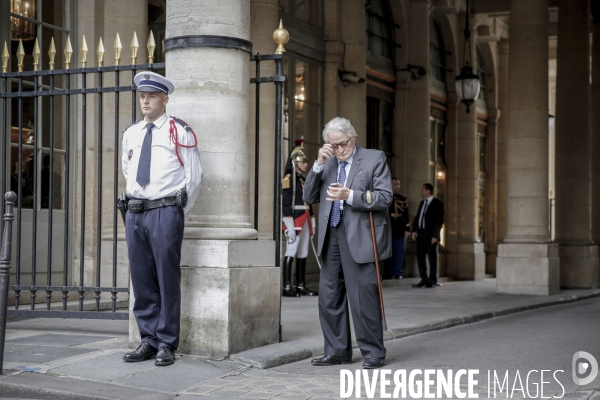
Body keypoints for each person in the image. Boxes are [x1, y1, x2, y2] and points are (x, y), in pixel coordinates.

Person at [121, 71, 203, 367]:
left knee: (166, 278)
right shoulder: (131, 133)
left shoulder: (178, 131)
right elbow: (128, 170)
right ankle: (148, 339)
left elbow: (194, 176)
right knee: (142, 277)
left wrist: (175, 208)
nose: (145, 101)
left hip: (165, 212)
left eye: (152, 96)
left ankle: (166, 342)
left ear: (164, 99)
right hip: (136, 212)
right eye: (142, 96)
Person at [303, 117, 392, 369]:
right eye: (333, 145)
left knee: (362, 295)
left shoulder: (375, 158)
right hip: (331, 234)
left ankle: (373, 352)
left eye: (343, 144)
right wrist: (318, 165)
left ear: (353, 139)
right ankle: (336, 350)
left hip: (360, 235)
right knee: (329, 296)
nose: (339, 150)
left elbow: (385, 197)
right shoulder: (327, 162)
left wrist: (350, 195)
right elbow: (309, 196)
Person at [282, 139, 318, 297]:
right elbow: (285, 203)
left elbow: (309, 202)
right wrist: (288, 224)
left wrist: (313, 222)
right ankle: (287, 286)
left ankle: (301, 285)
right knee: (291, 251)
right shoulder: (289, 179)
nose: (305, 165)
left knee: (303, 251)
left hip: (305, 218)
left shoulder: (303, 180)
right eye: (303, 162)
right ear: (295, 162)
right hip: (295, 219)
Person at [410, 183, 444, 288]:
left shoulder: (437, 203)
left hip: (430, 235)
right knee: (420, 257)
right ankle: (423, 278)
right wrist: (414, 230)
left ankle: (432, 279)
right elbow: (417, 217)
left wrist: (435, 236)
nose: (421, 192)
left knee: (431, 257)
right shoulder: (422, 203)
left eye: (422, 190)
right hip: (420, 233)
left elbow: (439, 221)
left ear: (428, 191)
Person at [386, 178, 410, 279]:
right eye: (395, 184)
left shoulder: (403, 199)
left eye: (398, 184)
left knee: (399, 252)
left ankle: (398, 272)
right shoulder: (385, 198)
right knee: (388, 252)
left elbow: (406, 216)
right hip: (388, 229)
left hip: (399, 229)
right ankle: (388, 272)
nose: (397, 186)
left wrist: (407, 229)